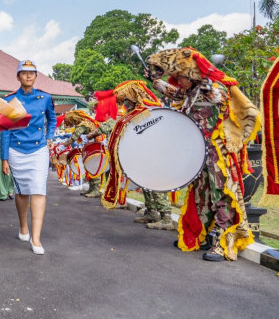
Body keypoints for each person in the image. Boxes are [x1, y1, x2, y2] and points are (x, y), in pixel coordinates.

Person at [147, 48, 260, 261]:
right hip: (198, 153)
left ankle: (221, 241)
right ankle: (203, 234)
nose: (178, 82)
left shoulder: (213, 87)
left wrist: (209, 87)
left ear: (191, 76)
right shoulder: (190, 91)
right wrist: (155, 81)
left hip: (217, 155)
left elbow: (219, 97)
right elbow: (173, 92)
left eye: (180, 78)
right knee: (201, 195)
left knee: (220, 195)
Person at [90, 81, 173, 229]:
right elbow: (118, 124)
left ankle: (166, 218)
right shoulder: (134, 112)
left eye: (126, 100)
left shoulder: (148, 111)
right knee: (145, 184)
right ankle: (152, 212)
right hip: (142, 154)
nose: (124, 104)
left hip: (153, 155)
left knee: (155, 184)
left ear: (133, 97)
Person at [0, 60, 56, 255]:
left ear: (36, 76)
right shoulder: (10, 100)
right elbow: (5, 130)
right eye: (24, 73)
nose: (28, 76)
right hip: (16, 150)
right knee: (22, 192)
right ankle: (23, 226)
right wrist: (4, 158)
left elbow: (53, 119)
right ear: (18, 76)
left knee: (39, 190)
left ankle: (36, 238)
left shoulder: (45, 97)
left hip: (38, 149)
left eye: (32, 73)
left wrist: (49, 137)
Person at [60, 110, 101, 198]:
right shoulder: (86, 122)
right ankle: (92, 188)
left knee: (93, 168)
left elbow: (74, 137)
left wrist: (63, 146)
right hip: (92, 147)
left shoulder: (82, 125)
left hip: (93, 148)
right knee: (90, 168)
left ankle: (96, 190)